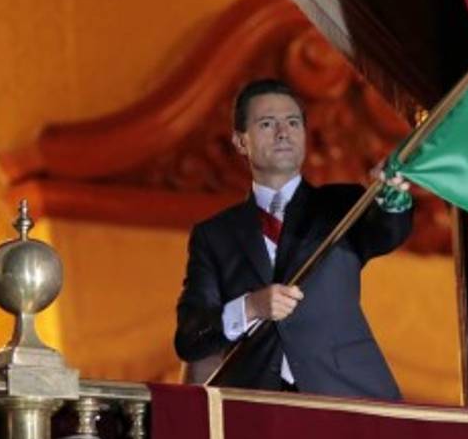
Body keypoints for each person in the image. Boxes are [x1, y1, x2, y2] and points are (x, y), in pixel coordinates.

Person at [174, 78, 413, 398]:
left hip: (346, 397)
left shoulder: (342, 204)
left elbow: (386, 231)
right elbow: (191, 336)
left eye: (293, 122)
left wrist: (391, 197)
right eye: (267, 123)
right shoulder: (214, 235)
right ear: (240, 141)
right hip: (255, 406)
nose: (283, 132)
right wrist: (251, 307)